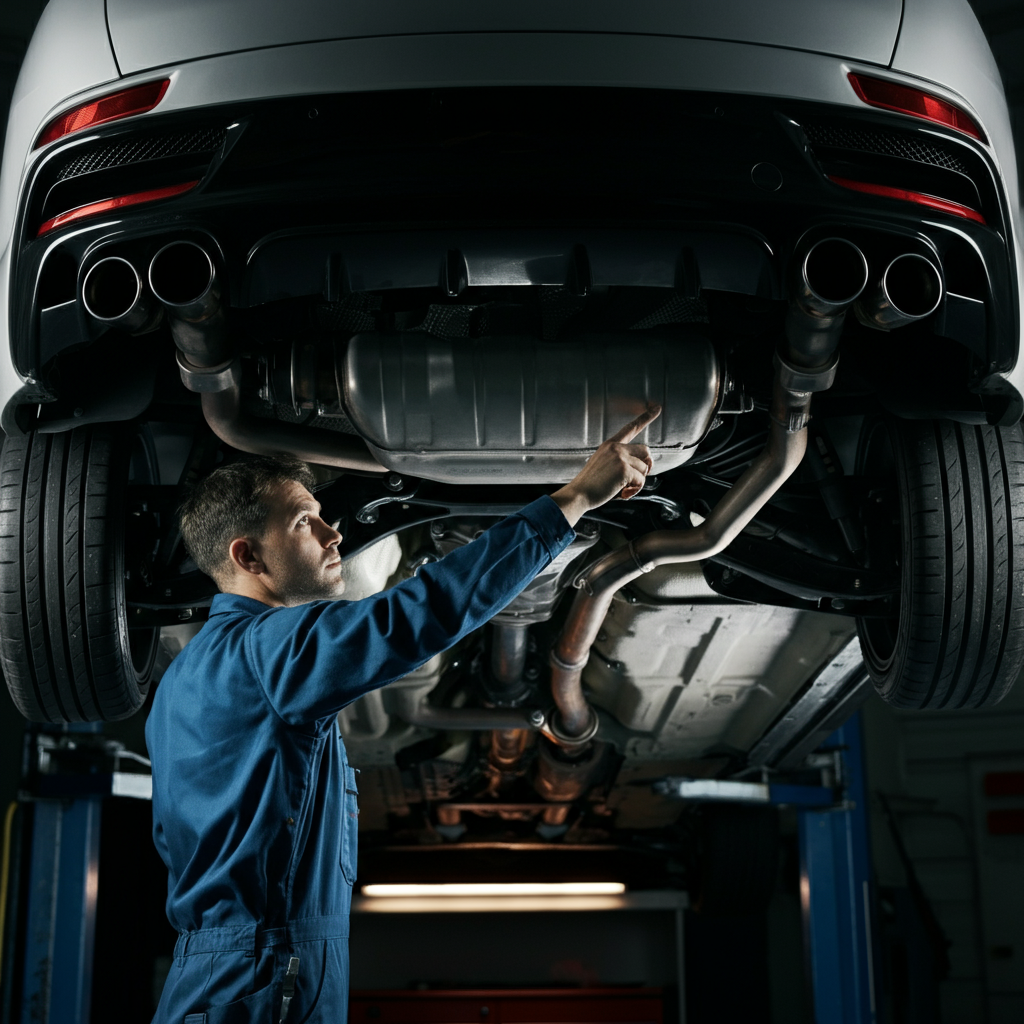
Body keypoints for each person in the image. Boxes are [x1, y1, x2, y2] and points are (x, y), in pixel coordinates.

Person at [146, 404, 661, 1023]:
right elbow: (418, 614)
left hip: (230, 971)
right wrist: (573, 500)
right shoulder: (268, 650)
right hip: (263, 973)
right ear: (248, 557)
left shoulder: (183, 681)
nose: (335, 534)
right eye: (306, 521)